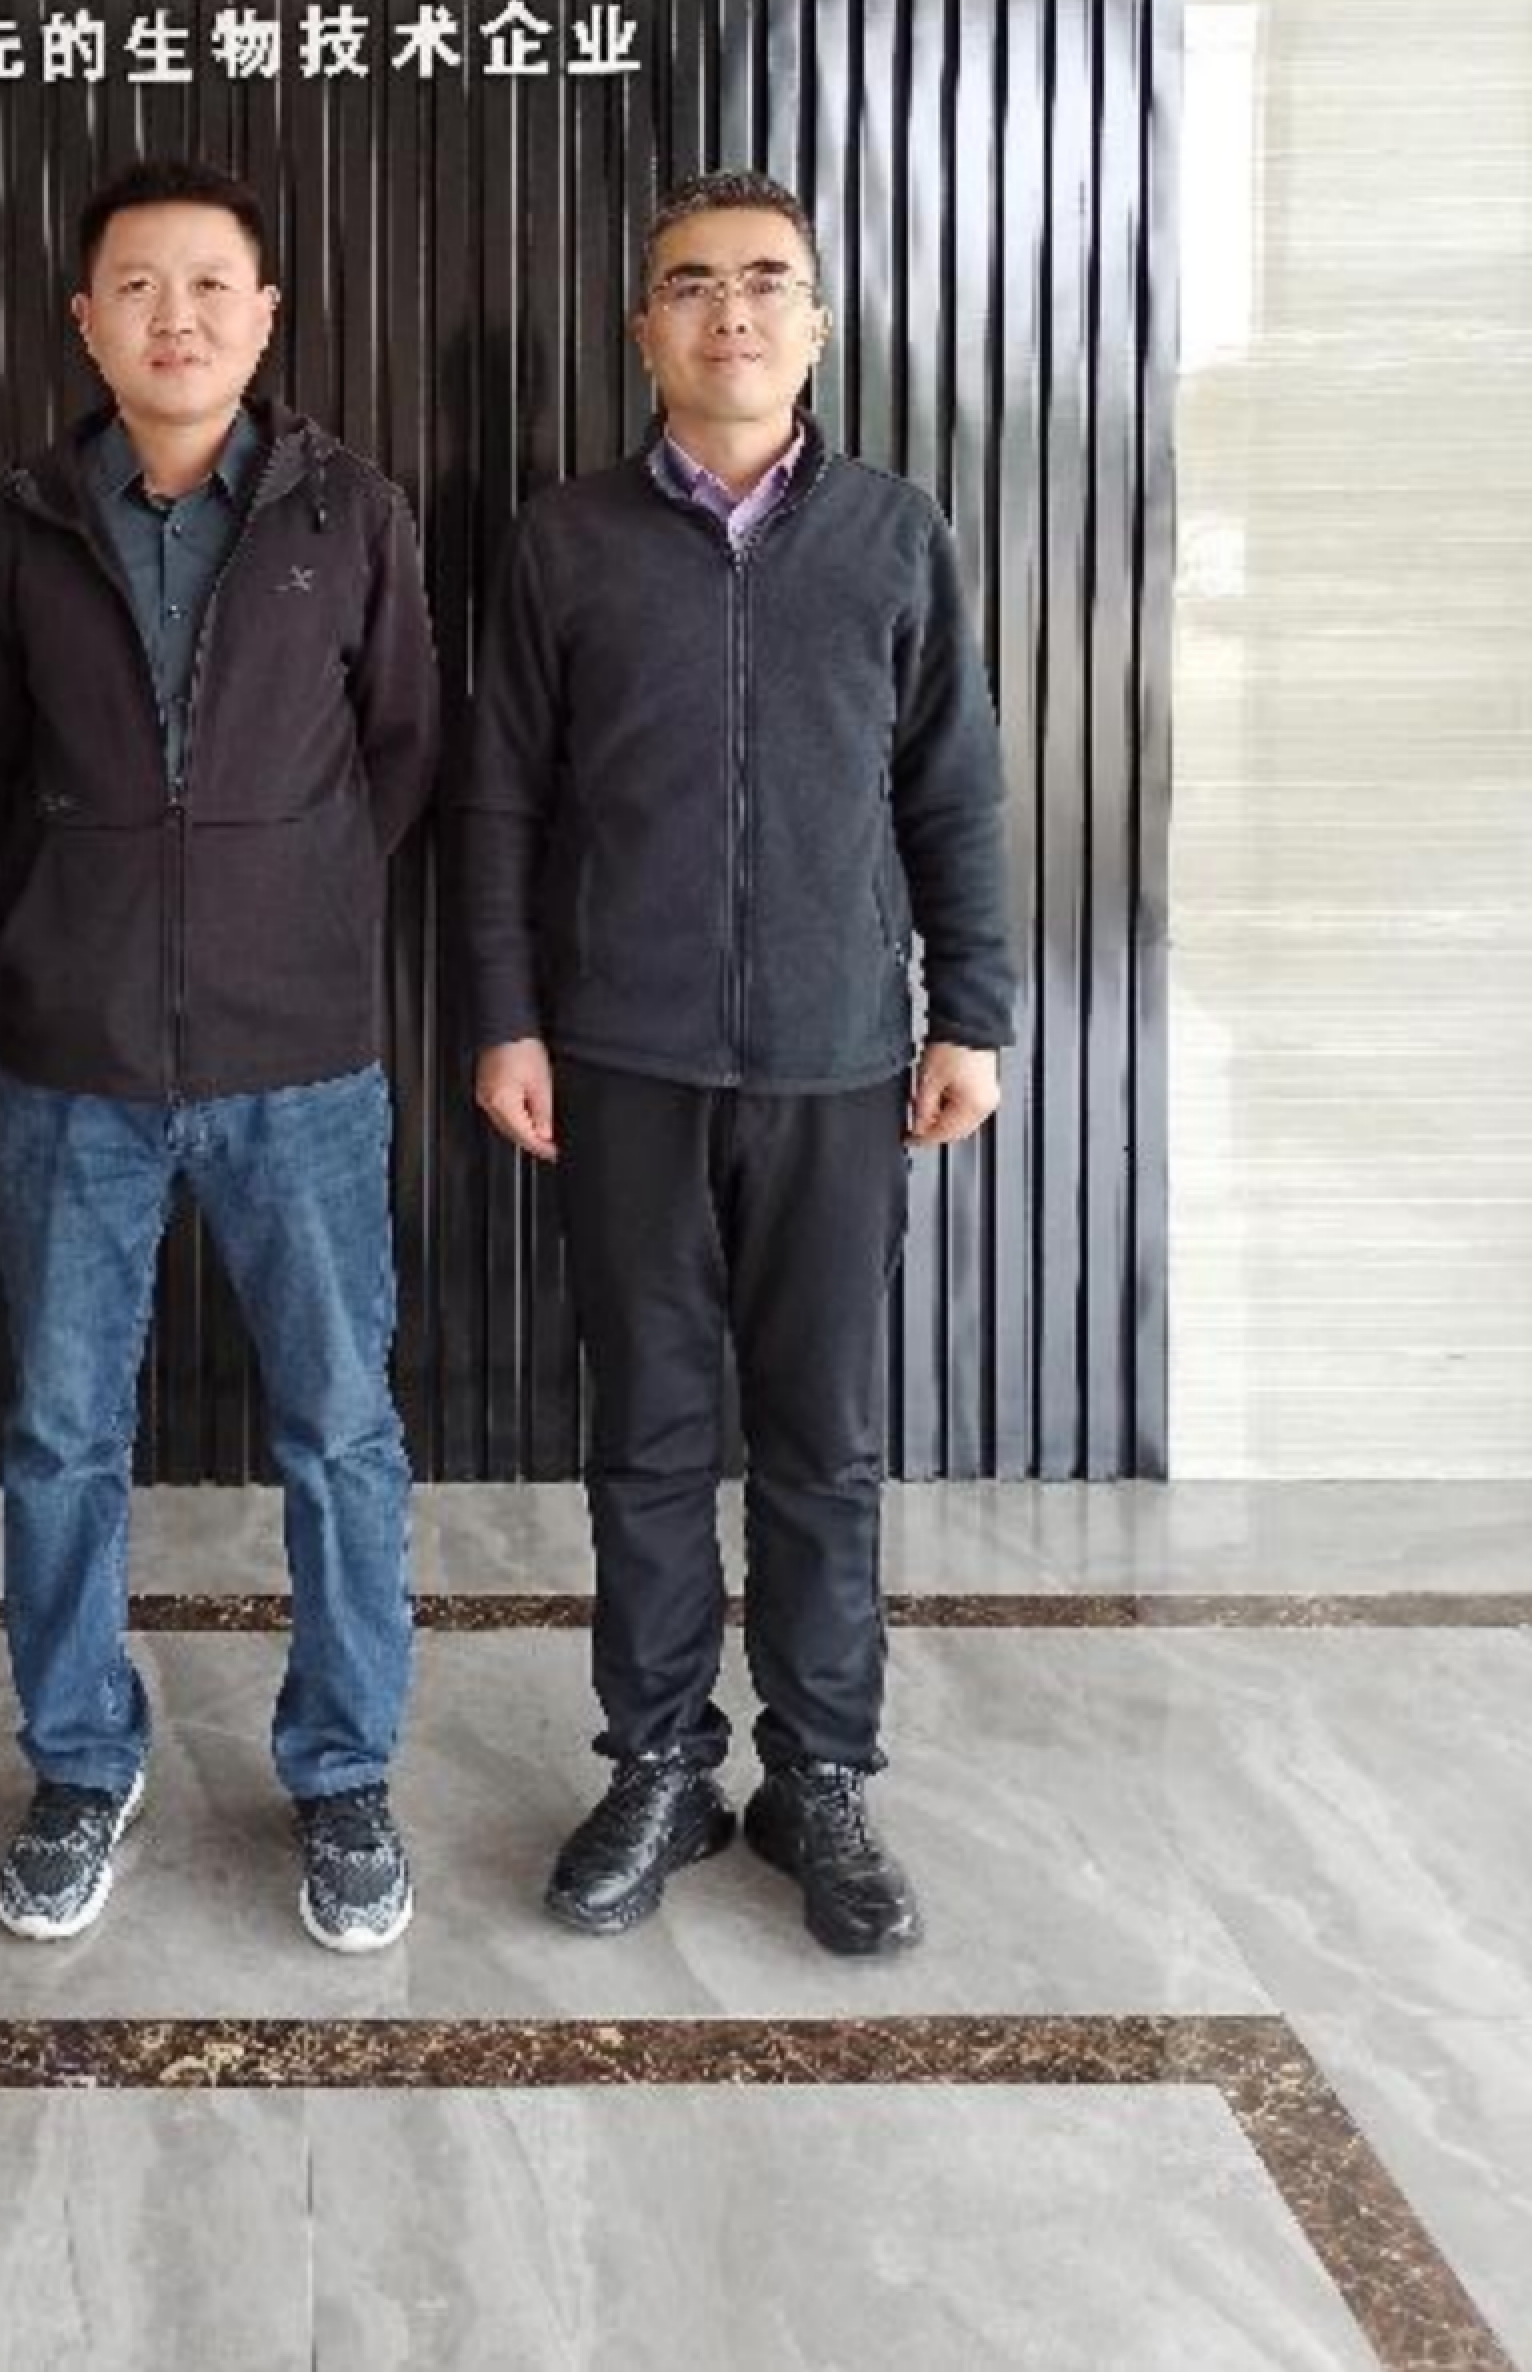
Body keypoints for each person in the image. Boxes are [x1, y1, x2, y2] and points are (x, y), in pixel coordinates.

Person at [464, 171, 1014, 1956]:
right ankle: (658, 1766)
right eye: (691, 285)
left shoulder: (894, 535)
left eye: (767, 282)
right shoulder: (566, 540)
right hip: (618, 1054)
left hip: (839, 1059)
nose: (731, 312)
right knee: (645, 1429)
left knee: (823, 1441)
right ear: (643, 329)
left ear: (818, 324)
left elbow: (953, 791)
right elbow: (501, 801)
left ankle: (820, 1776)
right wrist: (505, 1013)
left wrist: (971, 1012)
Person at [0, 160, 439, 1953]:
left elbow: (401, 753)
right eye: (138, 287)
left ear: (264, 314)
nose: (177, 316)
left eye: (210, 284)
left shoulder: (348, 513)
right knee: (60, 1435)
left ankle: (344, 1773)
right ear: (85, 322)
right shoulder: (16, 528)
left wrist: (283, 907)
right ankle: (82, 1762)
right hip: (69, 1064)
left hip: (298, 1062)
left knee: (341, 1430)